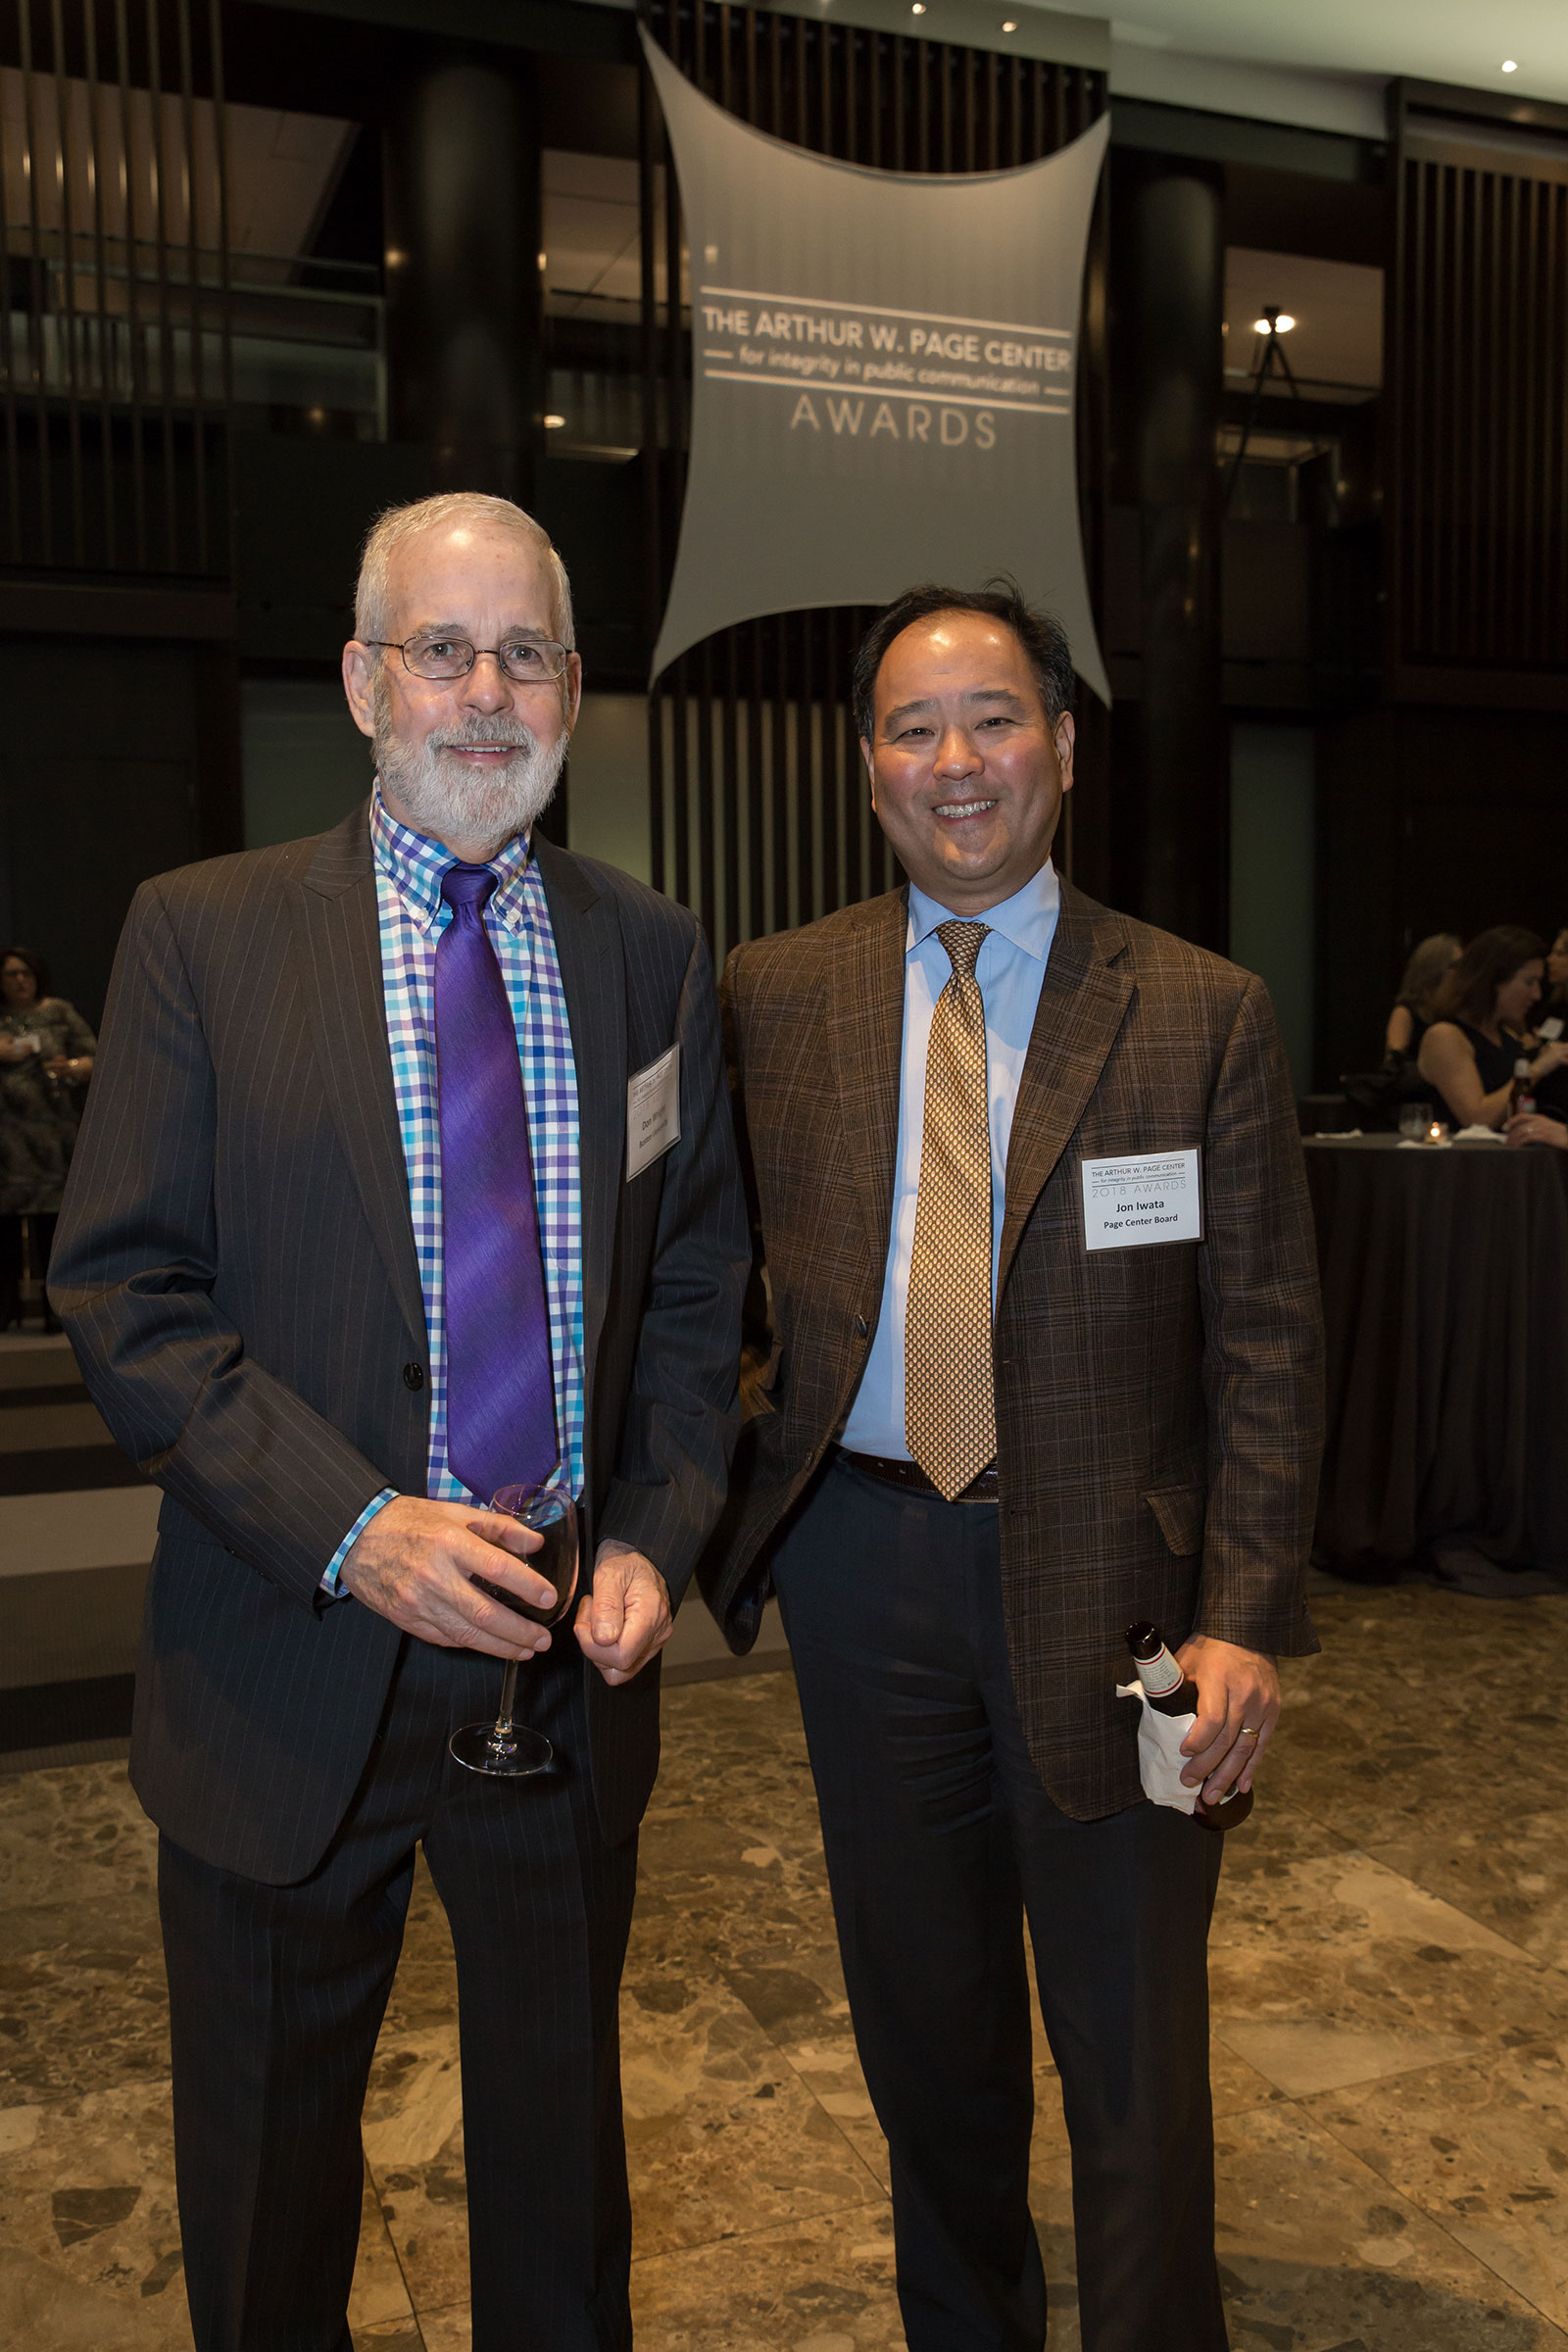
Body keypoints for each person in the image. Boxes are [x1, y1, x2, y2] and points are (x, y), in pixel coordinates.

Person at [50, 491, 748, 2352]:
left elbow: (692, 1298)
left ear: (579, 687)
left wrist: (661, 1539)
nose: (486, 692)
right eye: (443, 649)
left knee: (556, 2188)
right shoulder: (199, 938)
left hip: (562, 1677)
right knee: (274, 2200)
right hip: (288, 1667)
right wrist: (357, 1526)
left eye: (527, 652)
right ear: (363, 682)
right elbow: (122, 1290)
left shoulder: (653, 958)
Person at [706, 583, 1324, 2352]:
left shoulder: (1201, 1010)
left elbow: (1268, 1340)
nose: (955, 761)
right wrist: (762, 1455)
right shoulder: (778, 992)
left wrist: (1247, 1619)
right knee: (927, 2034)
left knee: (1134, 2055)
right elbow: (705, 1273)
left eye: (993, 718)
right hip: (864, 1574)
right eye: (913, 726)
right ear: (867, 764)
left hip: (1123, 1605)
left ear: (1061, 743)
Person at [0, 945, 96, 1330]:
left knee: (52, 1229)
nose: (20, 980)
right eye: (11, 974)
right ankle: (6, 1307)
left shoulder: (58, 1012)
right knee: (5, 1231)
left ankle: (57, 1310)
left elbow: (95, 1057)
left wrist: (69, 1066)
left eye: (26, 972)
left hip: (52, 1136)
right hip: (6, 1142)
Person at [1416, 925, 1568, 1131]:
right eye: (1529, 982)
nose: (1536, 995)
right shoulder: (1445, 1036)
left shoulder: (1508, 1036)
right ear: (1494, 979)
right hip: (1466, 1160)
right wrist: (1537, 1069)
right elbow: (1476, 1119)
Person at [1383, 931, 1460, 1059]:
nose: (1462, 972)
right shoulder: (1405, 1012)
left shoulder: (1456, 1010)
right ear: (1436, 969)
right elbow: (1394, 1062)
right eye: (1456, 965)